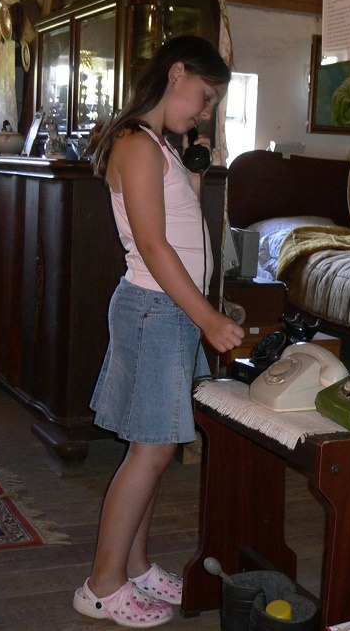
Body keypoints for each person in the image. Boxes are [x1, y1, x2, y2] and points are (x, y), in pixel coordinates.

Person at [74, 35, 245, 628]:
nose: (203, 111)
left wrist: (195, 169)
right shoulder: (137, 145)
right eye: (204, 96)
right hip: (158, 311)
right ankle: (102, 585)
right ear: (177, 74)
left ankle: (137, 565)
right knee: (151, 450)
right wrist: (207, 317)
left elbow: (180, 224)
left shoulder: (159, 147)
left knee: (153, 444)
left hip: (164, 310)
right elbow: (151, 243)